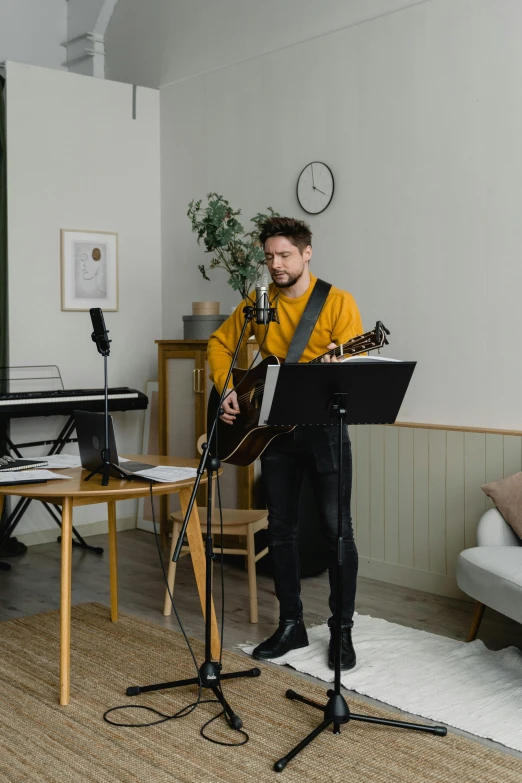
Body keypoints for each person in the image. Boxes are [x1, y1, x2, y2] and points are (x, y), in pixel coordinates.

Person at [207, 216, 363, 670]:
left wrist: (339, 364)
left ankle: (343, 631)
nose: (275, 264)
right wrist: (228, 388)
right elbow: (219, 345)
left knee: (339, 532)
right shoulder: (258, 305)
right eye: (270, 256)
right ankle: (290, 624)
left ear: (306, 253)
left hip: (324, 433)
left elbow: (355, 369)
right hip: (272, 432)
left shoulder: (337, 303)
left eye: (285, 255)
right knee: (281, 530)